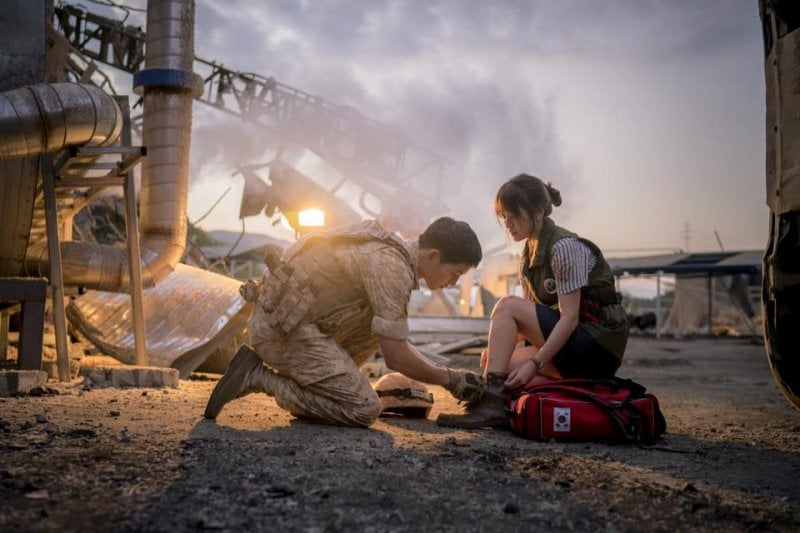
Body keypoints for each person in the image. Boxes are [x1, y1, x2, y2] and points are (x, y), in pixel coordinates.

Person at [204, 217, 485, 427]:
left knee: (386, 326)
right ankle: (256, 377)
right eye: (455, 273)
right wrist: (451, 380)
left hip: (292, 324)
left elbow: (393, 342)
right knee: (363, 409)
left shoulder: (392, 253)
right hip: (280, 332)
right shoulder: (390, 267)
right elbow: (396, 358)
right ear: (433, 256)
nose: (453, 283)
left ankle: (317, 380)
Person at [437, 173, 629, 428]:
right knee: (497, 365)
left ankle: (490, 403)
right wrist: (498, 352)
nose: (508, 224)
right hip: (573, 348)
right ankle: (500, 403)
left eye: (513, 215)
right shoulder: (529, 253)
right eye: (504, 217)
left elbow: (569, 319)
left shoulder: (564, 247)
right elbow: (528, 320)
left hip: (596, 345)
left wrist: (534, 363)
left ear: (538, 212)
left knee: (506, 306)